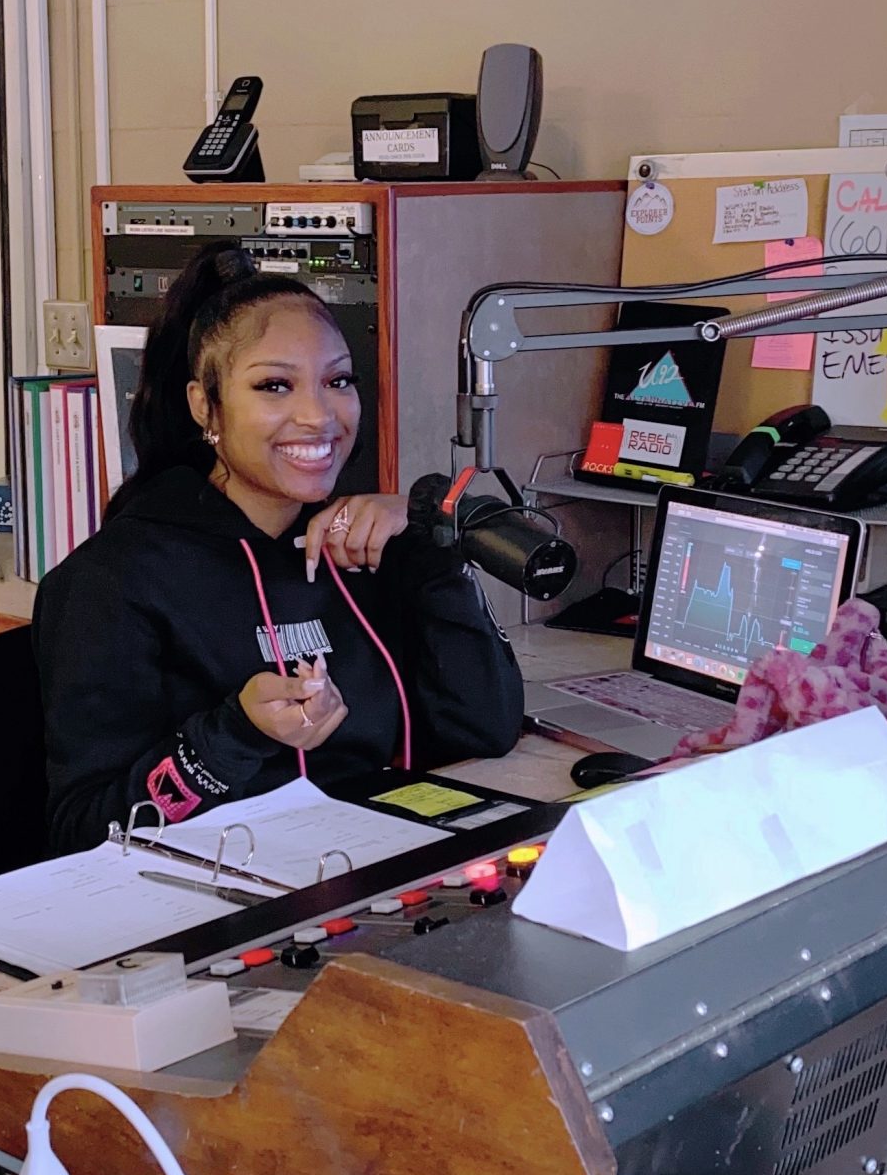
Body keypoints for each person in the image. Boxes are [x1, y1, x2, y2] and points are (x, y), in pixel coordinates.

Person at [33, 244, 523, 856]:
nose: (318, 415)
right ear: (204, 407)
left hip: (375, 869)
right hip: (214, 908)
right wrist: (234, 733)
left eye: (337, 381)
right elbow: (85, 832)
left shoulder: (361, 545)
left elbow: (485, 728)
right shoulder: (114, 581)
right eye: (274, 386)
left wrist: (429, 543)